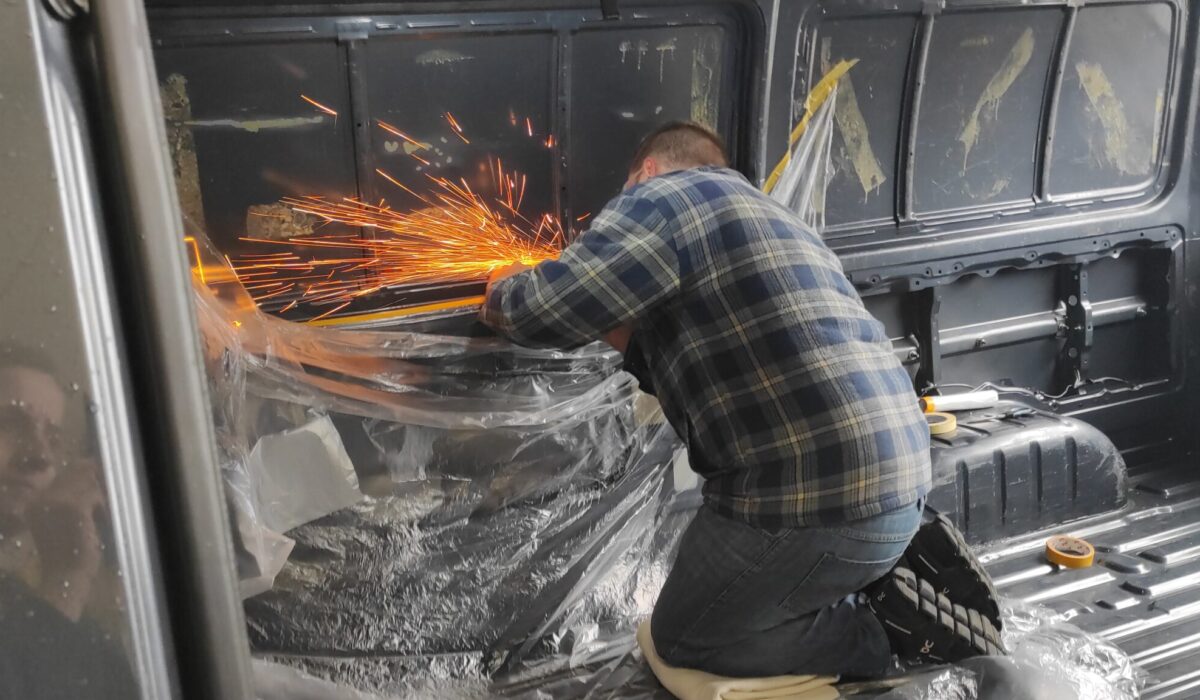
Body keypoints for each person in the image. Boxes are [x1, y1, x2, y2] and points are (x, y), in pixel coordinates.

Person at [480, 122, 1003, 678]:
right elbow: (712, 360)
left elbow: (546, 309)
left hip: (816, 501)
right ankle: (881, 580)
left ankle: (885, 633)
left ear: (647, 170)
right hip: (905, 485)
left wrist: (503, 287)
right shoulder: (776, 218)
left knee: (685, 640)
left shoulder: (660, 199)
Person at [0, 344, 136, 698]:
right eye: (10, 424)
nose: (40, 456)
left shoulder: (18, 601)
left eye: (53, 438)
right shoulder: (49, 599)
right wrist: (67, 578)